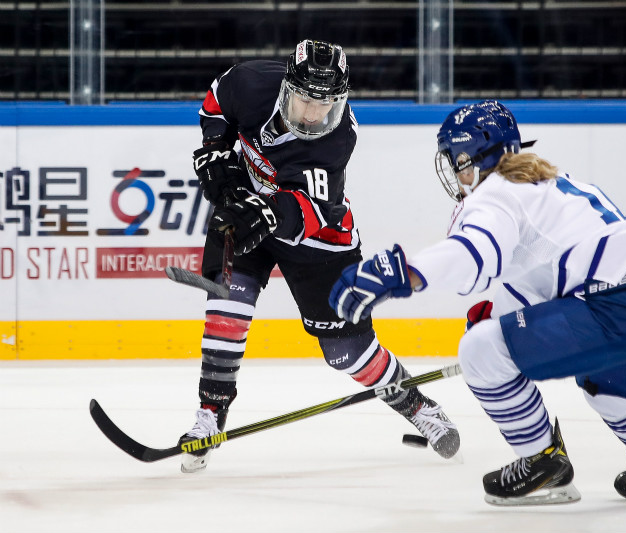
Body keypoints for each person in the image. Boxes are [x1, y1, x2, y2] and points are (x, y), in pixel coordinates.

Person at [329, 100, 626, 505]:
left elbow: (474, 254)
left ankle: (543, 465)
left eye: (458, 161)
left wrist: (402, 272)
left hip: (617, 309)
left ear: (473, 156)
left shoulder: (494, 194)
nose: (457, 173)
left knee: (479, 351)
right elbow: (550, 268)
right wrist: (503, 312)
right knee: (609, 386)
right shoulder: (547, 183)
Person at [179, 39, 460, 473]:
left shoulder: (337, 138)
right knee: (225, 304)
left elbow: (311, 210)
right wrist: (217, 151)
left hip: (317, 238)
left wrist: (267, 214)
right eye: (306, 100)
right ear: (286, 87)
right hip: (248, 209)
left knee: (347, 352)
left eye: (325, 103)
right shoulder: (251, 83)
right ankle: (210, 415)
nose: (314, 114)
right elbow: (217, 101)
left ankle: (417, 404)